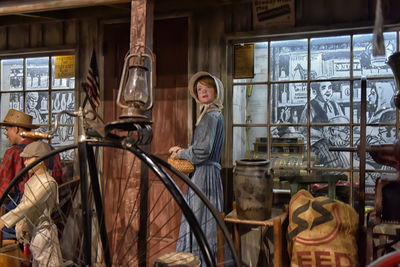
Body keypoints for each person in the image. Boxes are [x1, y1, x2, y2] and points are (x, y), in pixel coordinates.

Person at [169, 71, 225, 265]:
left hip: (204, 175)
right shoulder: (213, 114)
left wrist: (181, 152)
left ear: (215, 90)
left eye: (206, 87)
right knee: (202, 220)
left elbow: (203, 151)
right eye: (199, 89)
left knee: (200, 221)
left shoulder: (211, 115)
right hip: (206, 174)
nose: (202, 91)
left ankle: (197, 262)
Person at [0, 109, 63, 240]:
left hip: (23, 218)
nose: (6, 135)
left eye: (7, 130)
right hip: (50, 212)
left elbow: (4, 190)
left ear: (16, 129)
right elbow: (59, 180)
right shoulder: (52, 151)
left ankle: (12, 257)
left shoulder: (13, 153)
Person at [0, 141, 62, 266]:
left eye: (28, 159)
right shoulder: (32, 181)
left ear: (40, 160)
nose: (25, 163)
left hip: (44, 233)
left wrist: (5, 221)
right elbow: (25, 204)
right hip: (34, 232)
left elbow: (29, 205)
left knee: (48, 263)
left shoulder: (48, 183)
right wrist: (21, 227)